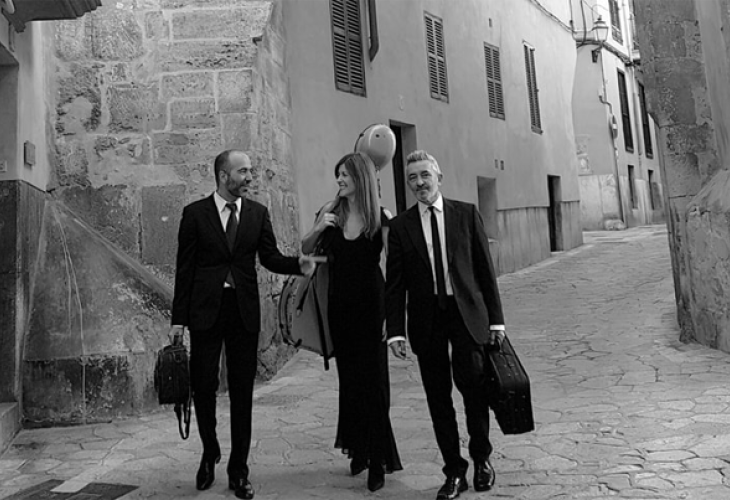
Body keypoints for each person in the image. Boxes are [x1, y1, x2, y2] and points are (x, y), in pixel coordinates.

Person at [169, 150, 316, 500]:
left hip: (243, 313)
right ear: (224, 176)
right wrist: (178, 321)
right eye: (243, 171)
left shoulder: (257, 214)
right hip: (205, 312)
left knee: (241, 393)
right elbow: (184, 269)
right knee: (203, 387)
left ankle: (239, 470)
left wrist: (298, 264)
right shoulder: (195, 214)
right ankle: (210, 453)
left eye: (250, 171)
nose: (250, 177)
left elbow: (270, 257)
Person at [385, 150, 506, 500]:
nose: (419, 182)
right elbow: (395, 284)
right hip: (427, 320)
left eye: (425, 175)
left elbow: (485, 270)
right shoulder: (401, 226)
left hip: (466, 315)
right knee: (438, 399)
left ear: (439, 177)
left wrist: (497, 321)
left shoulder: (465, 214)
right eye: (412, 178)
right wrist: (395, 330)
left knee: (474, 391)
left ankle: (482, 460)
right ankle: (454, 471)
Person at [301, 152, 402, 492]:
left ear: (360, 178)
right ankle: (358, 448)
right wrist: (319, 227)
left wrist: (393, 316)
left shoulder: (381, 218)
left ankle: (378, 458)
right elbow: (306, 251)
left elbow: (394, 267)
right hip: (340, 308)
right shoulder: (332, 213)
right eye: (338, 175)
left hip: (372, 308)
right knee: (351, 383)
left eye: (345, 174)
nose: (340, 180)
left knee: (375, 385)